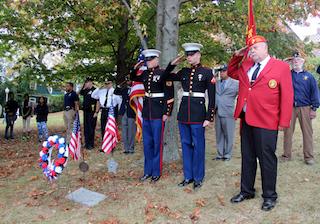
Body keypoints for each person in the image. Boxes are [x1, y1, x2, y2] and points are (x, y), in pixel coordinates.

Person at [227, 35, 293, 211]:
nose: (252, 51)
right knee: (247, 157)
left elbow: (287, 96)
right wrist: (237, 55)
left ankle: (270, 196)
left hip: (267, 121)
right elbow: (231, 71)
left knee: (267, 159)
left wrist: (284, 121)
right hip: (247, 119)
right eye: (250, 49)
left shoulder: (281, 67)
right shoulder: (246, 65)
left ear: (265, 48)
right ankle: (246, 191)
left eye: (255, 48)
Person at [164, 43, 216, 190]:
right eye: (188, 55)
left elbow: (212, 97)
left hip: (198, 114)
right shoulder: (184, 72)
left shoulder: (207, 72)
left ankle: (198, 177)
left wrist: (209, 117)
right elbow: (165, 77)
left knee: (198, 146)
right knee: (186, 145)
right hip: (183, 114)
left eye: (192, 54)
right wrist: (172, 64)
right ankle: (188, 176)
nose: (189, 57)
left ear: (199, 55)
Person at [130, 49, 174, 183]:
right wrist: (135, 68)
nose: (148, 62)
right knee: (147, 144)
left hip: (158, 112)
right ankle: (147, 171)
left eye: (150, 60)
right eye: (146, 60)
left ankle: (156, 172)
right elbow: (133, 78)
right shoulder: (144, 74)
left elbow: (170, 95)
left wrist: (167, 112)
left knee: (157, 144)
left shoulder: (163, 74)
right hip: (147, 112)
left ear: (156, 60)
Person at [282, 52, 320, 165]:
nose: (296, 62)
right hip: (290, 108)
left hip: (305, 108)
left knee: (307, 133)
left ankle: (309, 157)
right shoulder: (287, 75)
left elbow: (315, 93)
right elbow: (280, 68)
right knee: (287, 132)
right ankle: (286, 155)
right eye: (293, 60)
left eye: (298, 60)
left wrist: (314, 108)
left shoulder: (309, 77)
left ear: (302, 62)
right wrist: (286, 61)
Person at [214, 65, 239, 161]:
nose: (222, 73)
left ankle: (227, 154)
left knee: (228, 134)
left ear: (228, 71)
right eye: (221, 71)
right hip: (217, 111)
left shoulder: (236, 83)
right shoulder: (216, 83)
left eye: (224, 71)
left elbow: (242, 95)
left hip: (228, 112)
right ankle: (220, 154)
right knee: (219, 134)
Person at [114, 76, 137, 154]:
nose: (128, 81)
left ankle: (131, 148)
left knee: (131, 131)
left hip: (132, 112)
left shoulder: (135, 90)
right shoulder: (124, 89)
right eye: (127, 80)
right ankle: (126, 148)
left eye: (129, 80)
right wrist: (120, 84)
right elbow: (116, 92)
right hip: (124, 112)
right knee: (124, 131)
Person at [79, 77, 97, 150]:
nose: (86, 83)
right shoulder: (85, 90)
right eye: (85, 82)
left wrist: (96, 111)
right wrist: (83, 87)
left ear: (91, 82)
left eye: (87, 82)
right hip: (85, 111)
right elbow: (80, 93)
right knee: (86, 128)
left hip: (92, 111)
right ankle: (87, 143)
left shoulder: (95, 90)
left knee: (91, 128)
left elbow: (98, 101)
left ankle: (91, 144)